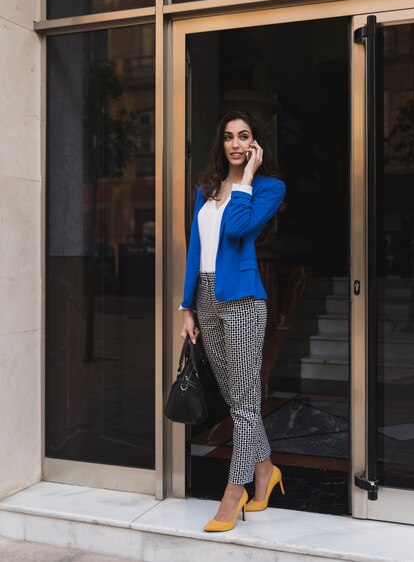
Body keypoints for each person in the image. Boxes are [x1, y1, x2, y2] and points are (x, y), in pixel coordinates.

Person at [179, 110, 286, 532]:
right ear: (220, 144)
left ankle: (233, 490)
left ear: (256, 144)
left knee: (244, 404)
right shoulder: (205, 188)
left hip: (242, 301)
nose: (236, 144)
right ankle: (266, 470)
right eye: (229, 137)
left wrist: (245, 180)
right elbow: (194, 249)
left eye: (245, 137)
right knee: (234, 397)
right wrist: (187, 306)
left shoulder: (269, 188)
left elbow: (240, 228)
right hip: (205, 297)